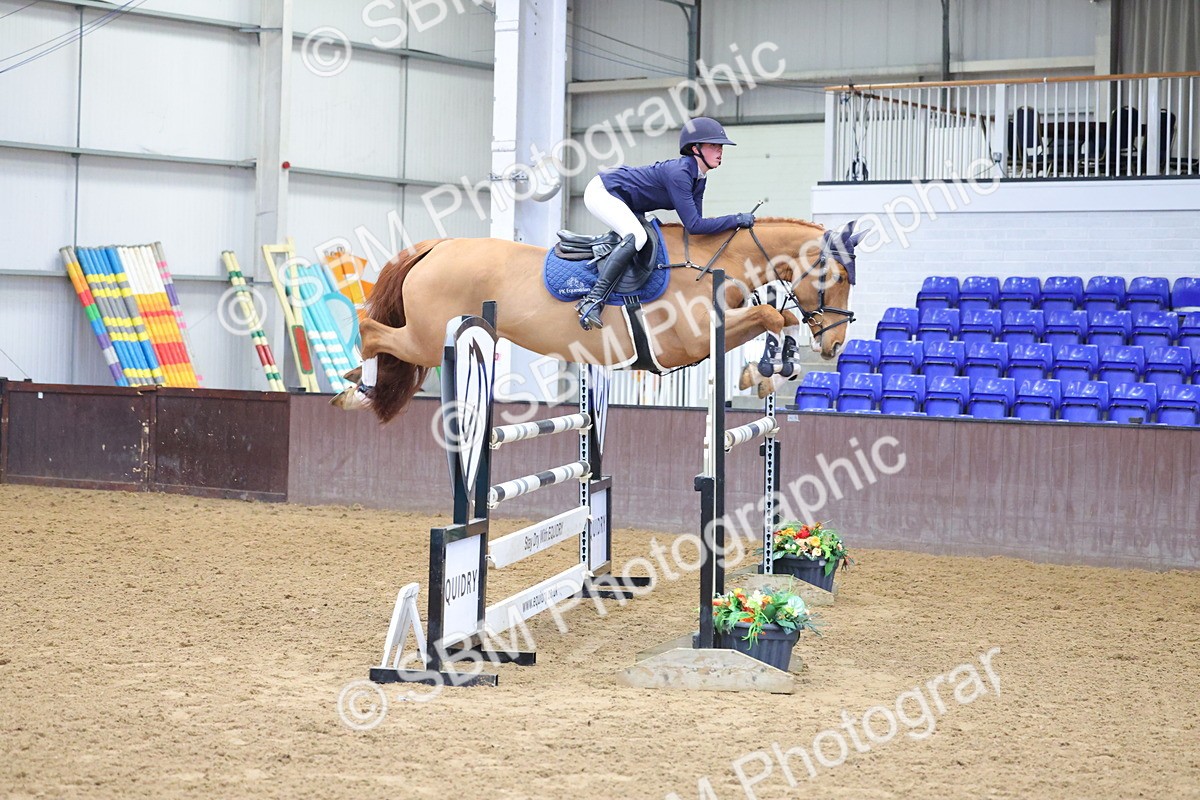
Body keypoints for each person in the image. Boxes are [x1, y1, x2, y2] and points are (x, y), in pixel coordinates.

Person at [575, 116, 756, 330]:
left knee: (651, 235)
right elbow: (695, 225)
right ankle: (592, 300)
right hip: (604, 191)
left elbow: (695, 228)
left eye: (721, 146)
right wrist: (735, 219)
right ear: (695, 149)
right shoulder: (680, 174)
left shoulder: (699, 178)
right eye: (713, 145)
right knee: (638, 237)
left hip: (627, 200)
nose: (720, 150)